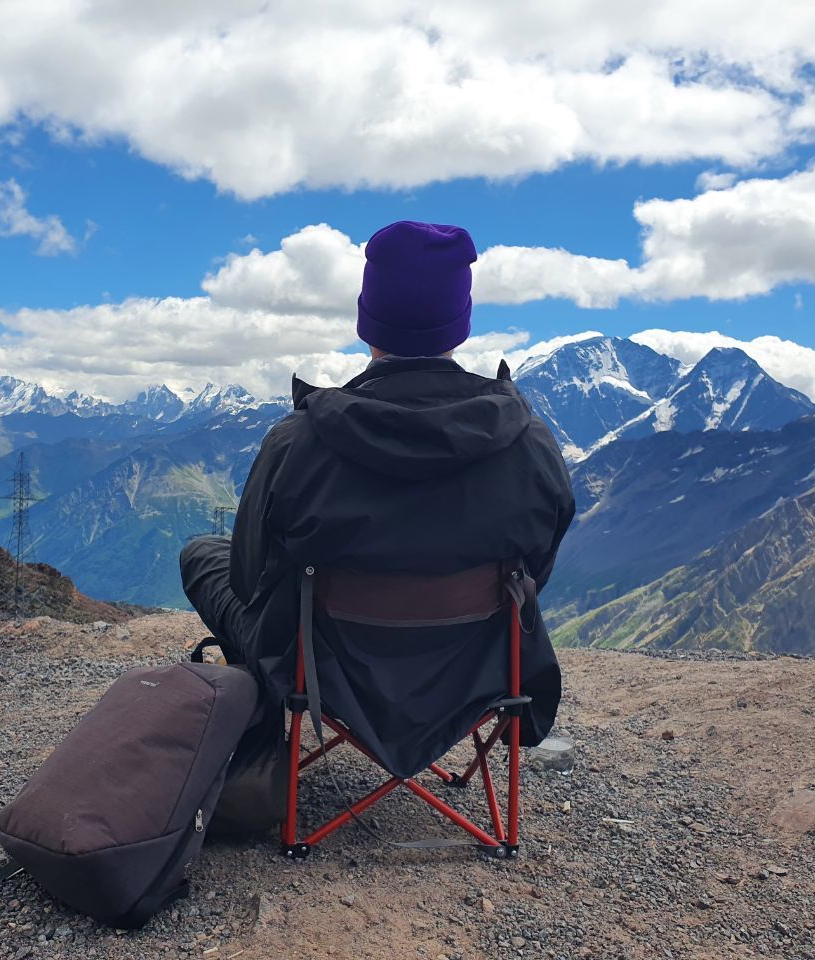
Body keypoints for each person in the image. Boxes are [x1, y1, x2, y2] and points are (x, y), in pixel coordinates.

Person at [180, 220, 575, 753]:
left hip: (324, 673)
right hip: (474, 671)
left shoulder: (297, 442)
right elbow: (534, 575)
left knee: (202, 553)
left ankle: (263, 739)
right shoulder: (529, 442)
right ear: (461, 324)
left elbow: (249, 580)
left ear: (368, 322)